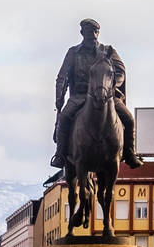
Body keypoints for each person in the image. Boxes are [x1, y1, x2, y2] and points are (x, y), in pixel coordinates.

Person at [51, 19, 142, 171]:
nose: (92, 35)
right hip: (79, 96)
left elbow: (120, 71)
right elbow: (62, 76)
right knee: (65, 117)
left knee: (129, 119)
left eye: (95, 32)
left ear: (98, 33)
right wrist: (59, 98)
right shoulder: (73, 53)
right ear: (82, 33)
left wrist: (112, 85)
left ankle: (129, 153)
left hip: (106, 96)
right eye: (89, 32)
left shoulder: (107, 51)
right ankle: (60, 155)